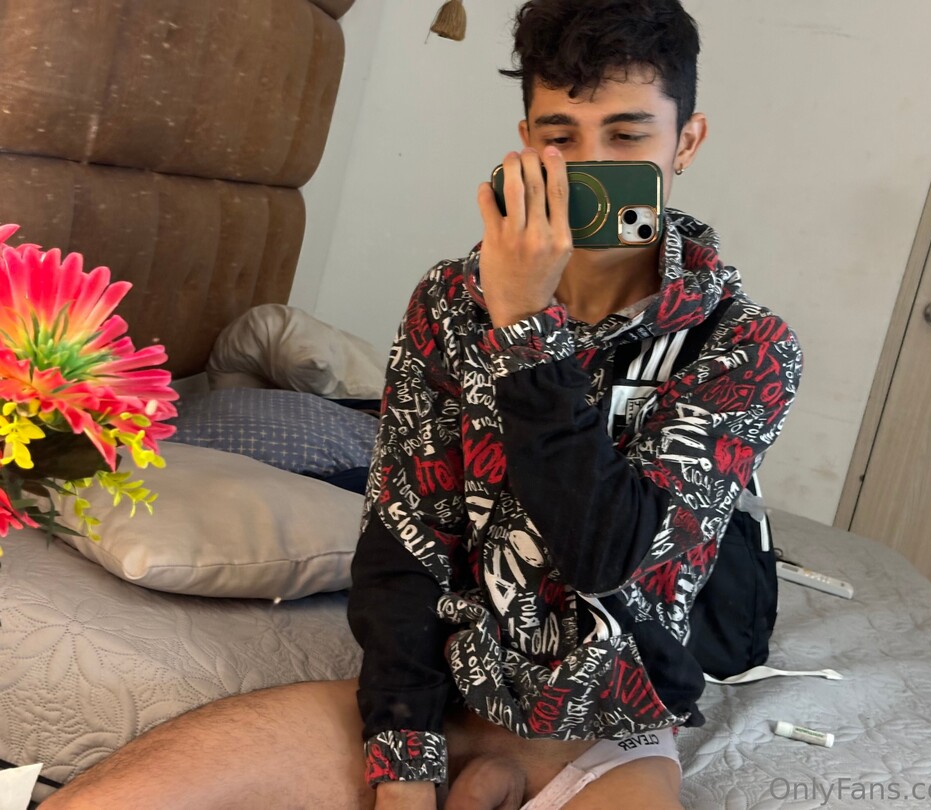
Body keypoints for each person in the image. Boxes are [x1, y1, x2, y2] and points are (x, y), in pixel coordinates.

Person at [42, 1, 801, 808]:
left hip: (604, 733)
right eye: (560, 137)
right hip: (442, 703)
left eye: (626, 136)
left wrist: (525, 329)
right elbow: (406, 539)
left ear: (686, 141)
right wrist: (404, 759)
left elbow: (609, 557)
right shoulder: (448, 301)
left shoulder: (747, 346)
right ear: (526, 142)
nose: (589, 166)